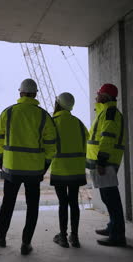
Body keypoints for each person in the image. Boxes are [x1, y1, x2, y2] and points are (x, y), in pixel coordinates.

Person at [0, 78, 57, 255]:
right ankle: (26, 244)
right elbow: (51, 145)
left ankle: (1, 237)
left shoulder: (9, 112)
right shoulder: (44, 116)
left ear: (20, 93)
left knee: (8, 204)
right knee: (32, 206)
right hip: (34, 171)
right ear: (35, 94)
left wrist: (1, 160)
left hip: (12, 169)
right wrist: (45, 165)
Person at [86, 83, 127, 247]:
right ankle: (112, 227)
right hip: (104, 161)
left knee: (111, 198)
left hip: (106, 162)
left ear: (105, 96)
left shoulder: (109, 113)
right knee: (107, 197)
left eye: (99, 93)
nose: (96, 96)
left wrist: (101, 161)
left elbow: (107, 137)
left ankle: (117, 235)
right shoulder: (105, 112)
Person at [50, 92, 89, 248]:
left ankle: (63, 237)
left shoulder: (53, 122)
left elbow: (47, 144)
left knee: (63, 203)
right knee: (73, 202)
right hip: (77, 170)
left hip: (60, 169)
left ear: (58, 104)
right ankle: (75, 237)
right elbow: (87, 142)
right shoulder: (78, 123)